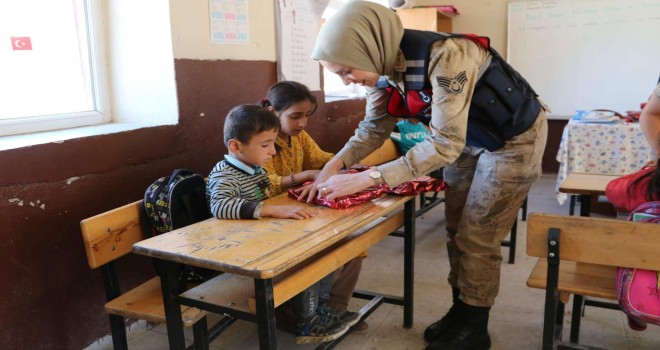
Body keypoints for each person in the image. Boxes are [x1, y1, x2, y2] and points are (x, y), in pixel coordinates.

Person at [303, 2, 549, 349]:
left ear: (369, 47)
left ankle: (475, 326)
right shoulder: (381, 67)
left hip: (513, 141)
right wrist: (336, 164)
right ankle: (461, 309)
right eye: (339, 76)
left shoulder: (449, 55)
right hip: (466, 142)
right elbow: (373, 129)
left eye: (346, 71)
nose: (348, 81)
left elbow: (444, 143)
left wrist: (370, 177)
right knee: (455, 228)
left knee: (477, 236)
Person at [206, 104, 348, 344]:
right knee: (307, 259)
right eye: (265, 145)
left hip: (260, 239)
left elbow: (269, 188)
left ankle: (319, 309)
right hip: (240, 250)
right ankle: (305, 321)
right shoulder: (224, 174)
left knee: (322, 248)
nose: (273, 151)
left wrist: (298, 187)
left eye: (273, 143)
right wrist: (271, 209)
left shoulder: (254, 168)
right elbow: (220, 205)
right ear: (235, 146)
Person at [259, 81, 367, 333]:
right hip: (271, 220)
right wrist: (305, 174)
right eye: (295, 116)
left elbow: (322, 159)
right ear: (272, 111)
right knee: (325, 251)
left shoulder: (299, 138)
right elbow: (263, 184)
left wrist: (347, 165)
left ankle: (334, 309)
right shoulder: (258, 139)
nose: (303, 123)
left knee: (353, 246)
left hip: (298, 213)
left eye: (307, 116)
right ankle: (299, 312)